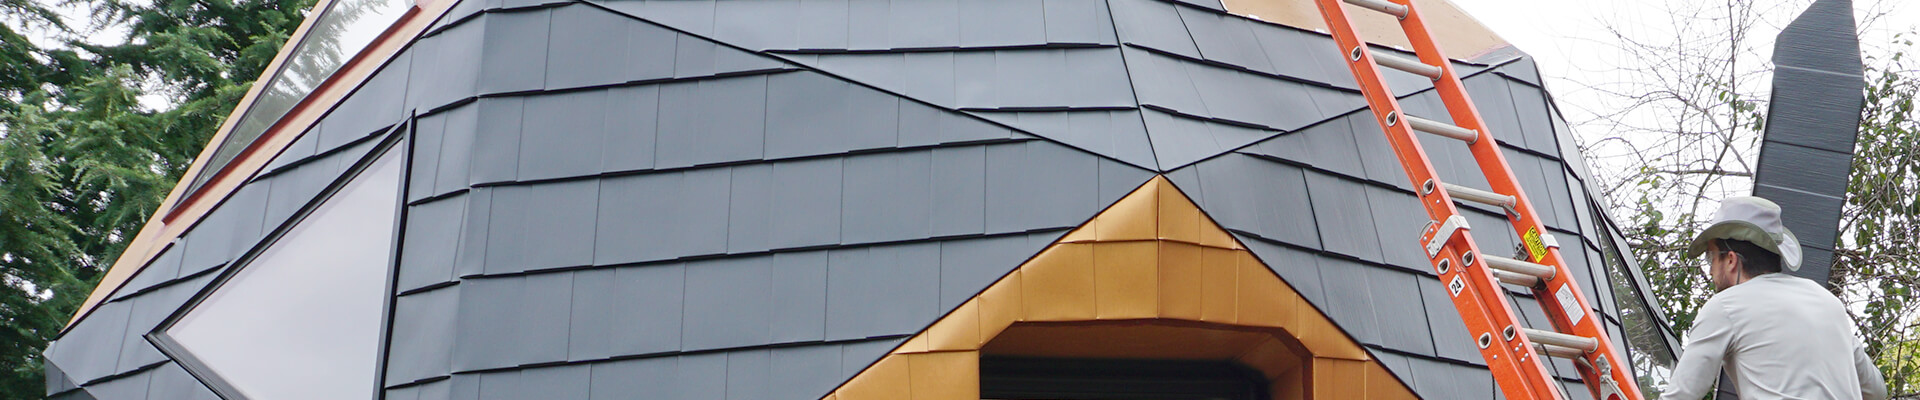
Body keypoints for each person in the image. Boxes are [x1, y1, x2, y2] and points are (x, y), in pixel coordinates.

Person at [1664, 196, 1887, 400]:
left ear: (1731, 260)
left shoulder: (1726, 306)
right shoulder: (1826, 300)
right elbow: (1876, 390)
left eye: (1710, 257)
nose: (1711, 271)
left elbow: (1681, 395)